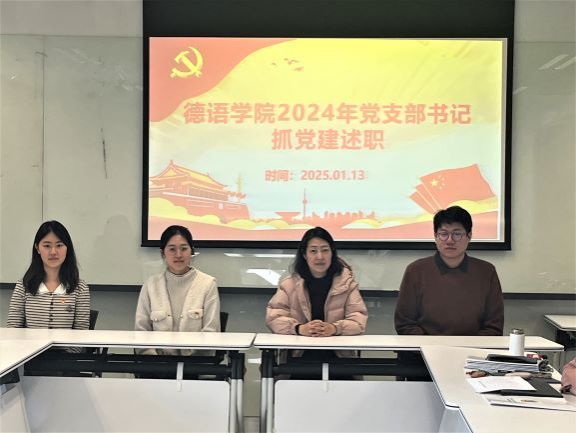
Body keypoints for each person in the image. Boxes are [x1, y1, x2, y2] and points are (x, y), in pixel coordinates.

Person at [395, 206, 504, 336]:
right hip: (425, 346)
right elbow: (405, 324)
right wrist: (432, 345)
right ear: (435, 236)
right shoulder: (416, 270)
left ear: (469, 236)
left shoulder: (486, 271)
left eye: (457, 234)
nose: (450, 240)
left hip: (473, 347)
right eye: (444, 234)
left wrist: (468, 346)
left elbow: (494, 326)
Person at [266, 227, 368, 365]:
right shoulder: (289, 284)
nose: (320, 256)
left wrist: (334, 328)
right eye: (313, 251)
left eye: (325, 250)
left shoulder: (347, 284)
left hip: (339, 358)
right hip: (297, 358)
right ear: (304, 255)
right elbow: (273, 319)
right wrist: (299, 328)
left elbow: (358, 322)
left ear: (332, 253)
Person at [135, 225, 220, 356]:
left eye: (184, 249)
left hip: (196, 363)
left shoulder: (207, 284)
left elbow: (211, 332)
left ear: (192, 251)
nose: (178, 255)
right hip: (157, 363)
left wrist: (188, 362)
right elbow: (141, 331)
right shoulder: (151, 285)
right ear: (163, 253)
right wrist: (154, 360)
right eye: (172, 249)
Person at [7, 220, 90, 333]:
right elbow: (13, 331)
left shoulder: (80, 288)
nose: (53, 252)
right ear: (37, 248)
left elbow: (81, 335)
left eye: (59, 245)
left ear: (67, 248)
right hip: (31, 345)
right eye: (47, 246)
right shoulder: (23, 286)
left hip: (65, 345)